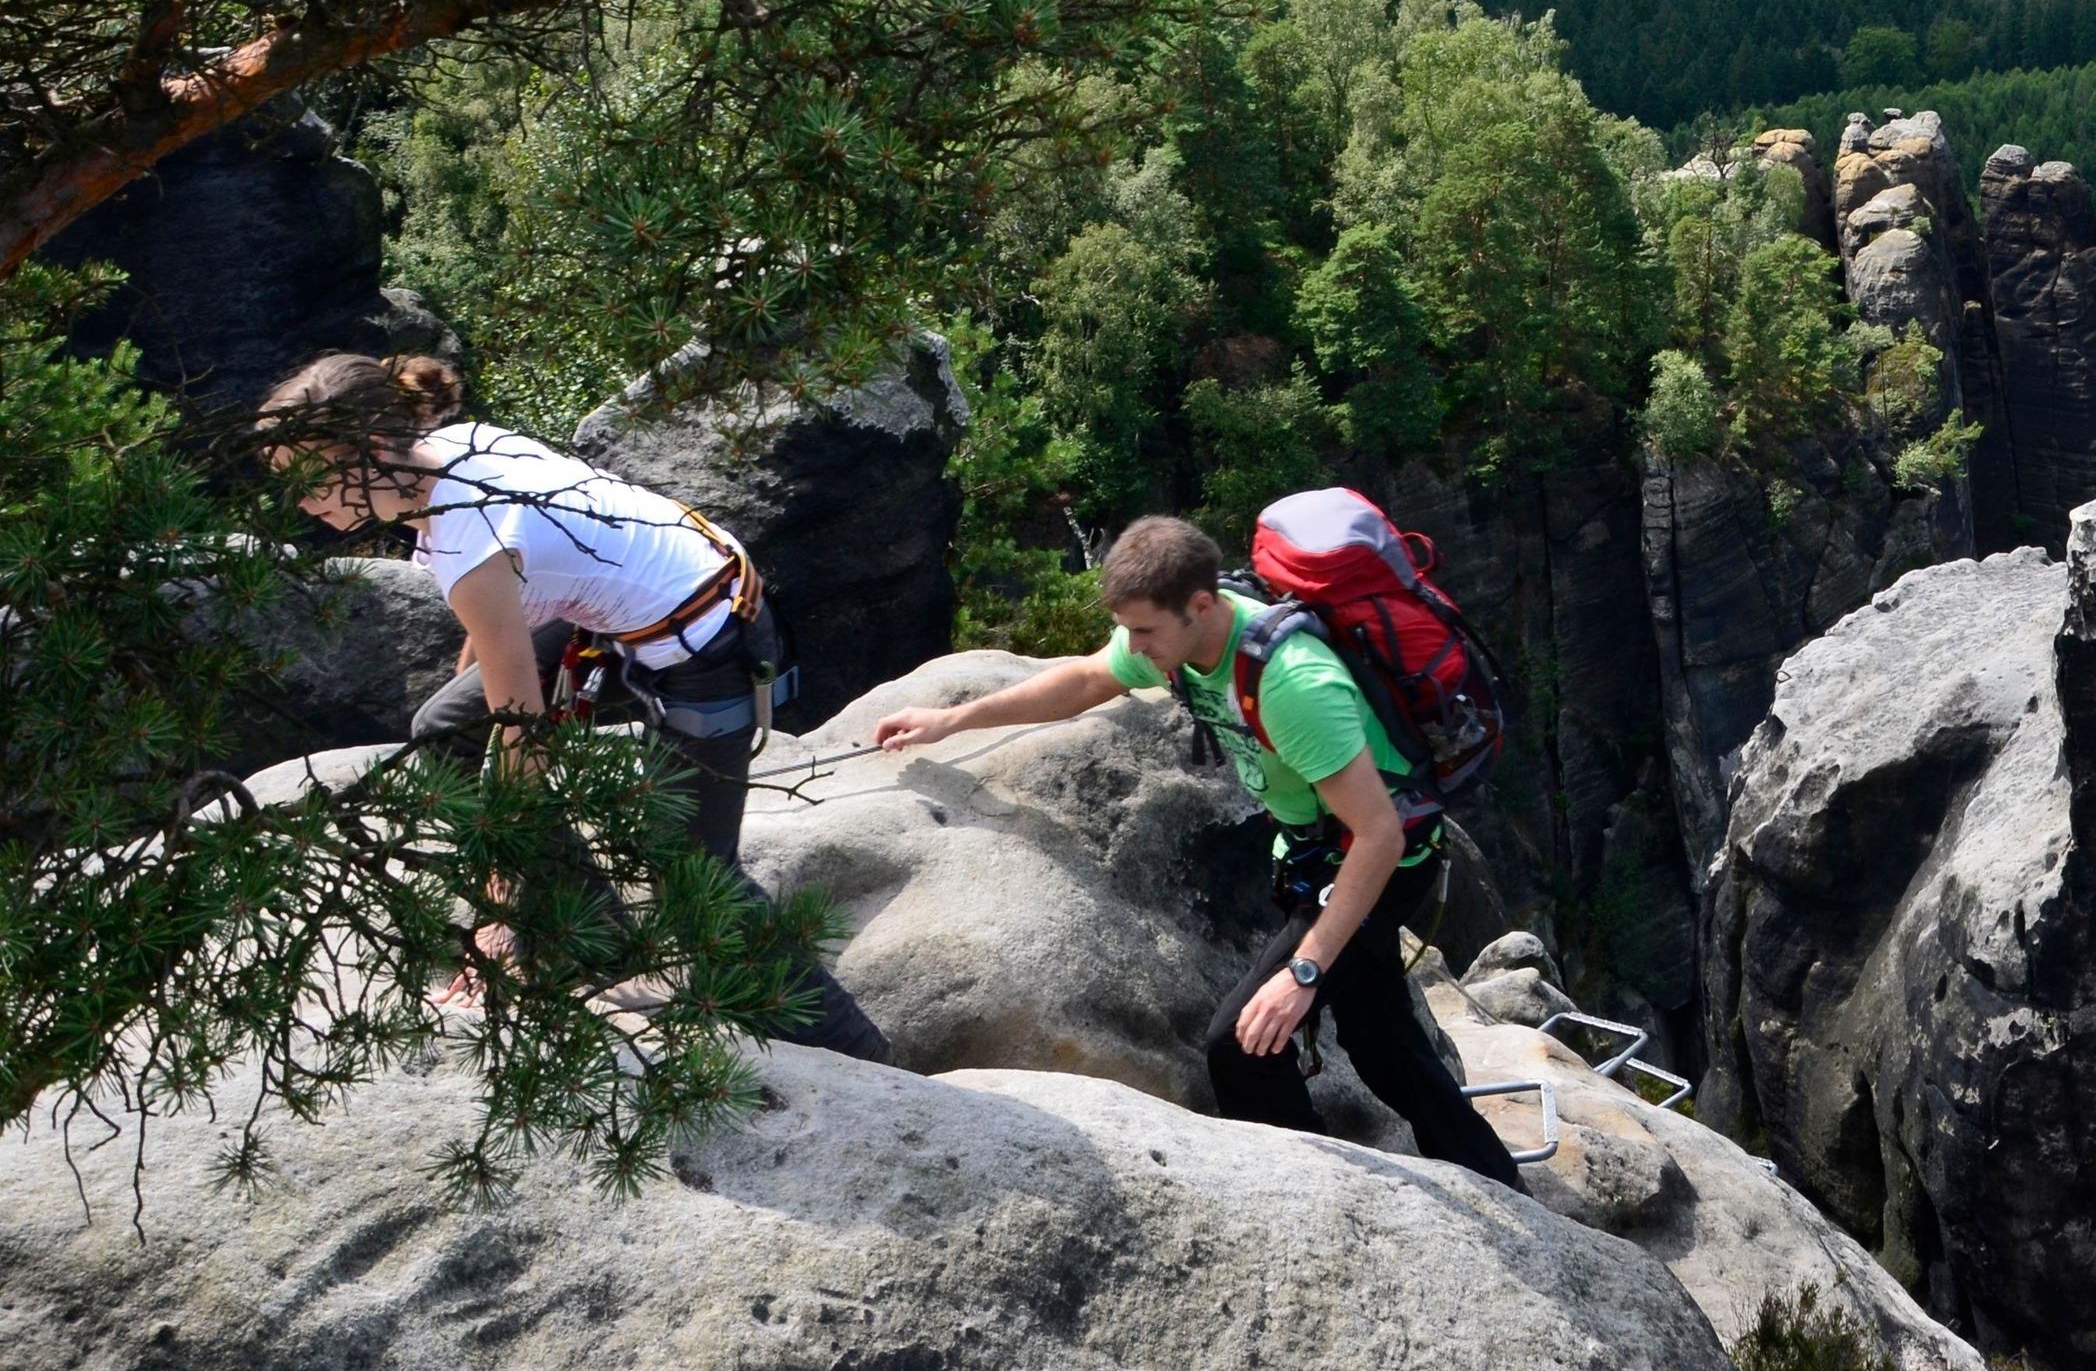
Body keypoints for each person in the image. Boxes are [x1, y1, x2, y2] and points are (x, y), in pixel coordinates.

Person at [257, 349, 889, 1061]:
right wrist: (485, 705)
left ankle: (861, 1056)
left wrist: (501, 916)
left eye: (312, 480)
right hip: (638, 601)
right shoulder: (457, 448)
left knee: (693, 879)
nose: (302, 502)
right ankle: (592, 936)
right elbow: (496, 633)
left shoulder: (470, 535)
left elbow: (521, 732)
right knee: (446, 726)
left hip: (708, 635)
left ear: (373, 451)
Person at [867, 511, 1520, 1185]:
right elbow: (1087, 680)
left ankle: (1315, 1195)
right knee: (1382, 1041)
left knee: (1243, 1044)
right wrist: (951, 719)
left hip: (1377, 861)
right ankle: (1497, 1181)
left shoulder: (1293, 684)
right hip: (1318, 850)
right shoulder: (1181, 640)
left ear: (1201, 606)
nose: (1134, 646)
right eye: (1128, 629)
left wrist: (1303, 972)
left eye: (1145, 631)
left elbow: (1379, 834)